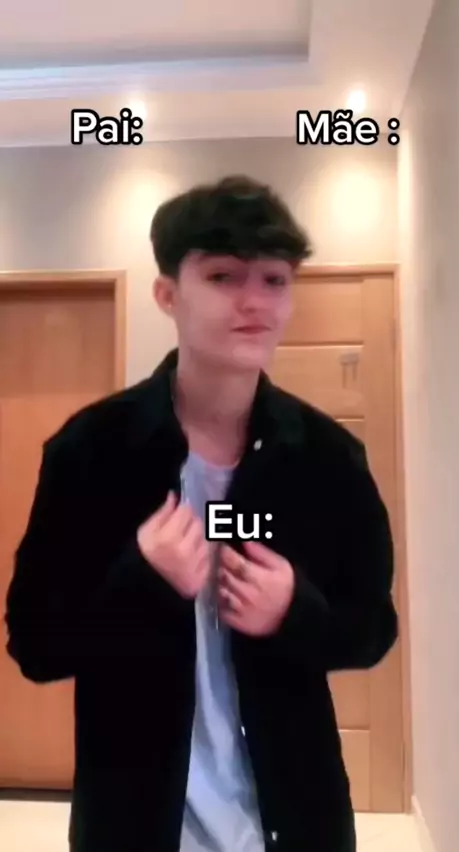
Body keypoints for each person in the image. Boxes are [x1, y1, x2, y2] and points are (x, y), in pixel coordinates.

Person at [5, 175, 398, 852]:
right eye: (222, 276)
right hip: (133, 825)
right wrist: (138, 582)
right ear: (168, 294)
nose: (254, 301)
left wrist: (294, 611)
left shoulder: (327, 460)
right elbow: (35, 646)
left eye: (275, 280)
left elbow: (373, 629)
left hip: (294, 821)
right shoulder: (92, 451)